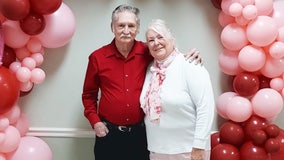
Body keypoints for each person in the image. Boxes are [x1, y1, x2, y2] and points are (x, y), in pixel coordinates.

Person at [81, 5, 202, 160]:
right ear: (112, 27)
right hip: (108, 134)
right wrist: (95, 122)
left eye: (131, 26)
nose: (126, 30)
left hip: (140, 136)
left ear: (137, 28)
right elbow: (88, 95)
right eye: (121, 25)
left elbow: (169, 56)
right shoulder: (97, 57)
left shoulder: (148, 51)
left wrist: (189, 56)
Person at [140, 19, 215, 160]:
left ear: (172, 40)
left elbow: (206, 107)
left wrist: (198, 147)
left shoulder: (190, 64)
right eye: (151, 40)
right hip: (157, 150)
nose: (156, 42)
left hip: (189, 150)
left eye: (160, 37)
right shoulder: (150, 70)